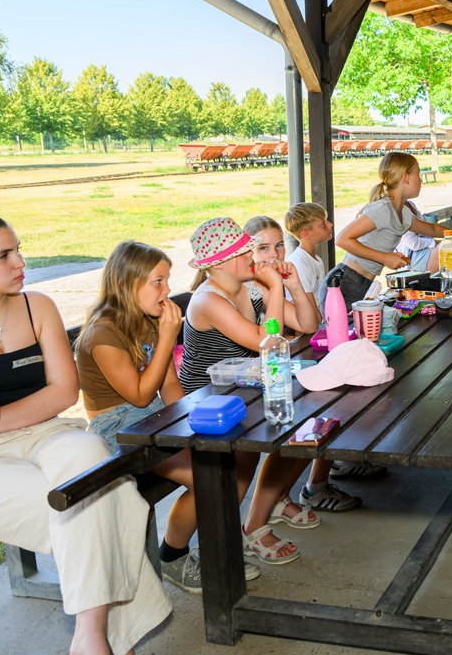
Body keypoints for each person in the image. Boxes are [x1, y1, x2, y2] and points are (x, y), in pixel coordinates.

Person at [0, 200, 169, 655]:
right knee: (91, 504)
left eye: (19, 251)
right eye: (4, 256)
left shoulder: (39, 307)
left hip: (44, 434)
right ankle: (112, 647)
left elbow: (61, 393)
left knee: (97, 473)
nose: (20, 264)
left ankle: (89, 642)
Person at [75, 240, 260, 593]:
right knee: (210, 477)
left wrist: (191, 421)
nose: (167, 290)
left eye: (167, 280)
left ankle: (205, 549)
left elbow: (169, 386)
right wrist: (166, 338)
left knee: (230, 457)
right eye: (157, 281)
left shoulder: (146, 320)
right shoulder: (103, 333)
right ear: (126, 284)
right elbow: (140, 394)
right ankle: (174, 557)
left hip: (154, 417)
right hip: (118, 427)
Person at [178, 217, 321, 563]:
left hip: (243, 386)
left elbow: (308, 324)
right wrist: (273, 286)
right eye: (246, 252)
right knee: (242, 463)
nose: (255, 258)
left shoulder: (250, 286)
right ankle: (214, 545)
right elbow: (264, 341)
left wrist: (293, 287)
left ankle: (255, 520)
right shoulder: (207, 299)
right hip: (205, 400)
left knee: (308, 423)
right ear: (219, 264)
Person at [249, 209, 374, 508]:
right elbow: (272, 338)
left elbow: (309, 323)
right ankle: (299, 492)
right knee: (321, 406)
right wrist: (279, 285)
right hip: (244, 380)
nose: (275, 254)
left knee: (338, 391)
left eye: (279, 246)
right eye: (263, 248)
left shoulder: (275, 280)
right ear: (246, 252)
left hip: (270, 368)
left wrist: (291, 285)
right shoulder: (252, 286)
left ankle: (318, 478)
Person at [330, 152, 452, 310]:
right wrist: (384, 258)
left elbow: (432, 228)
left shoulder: (402, 212)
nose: (421, 179)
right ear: (405, 177)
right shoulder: (382, 208)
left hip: (363, 283)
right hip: (347, 283)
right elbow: (342, 239)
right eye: (418, 173)